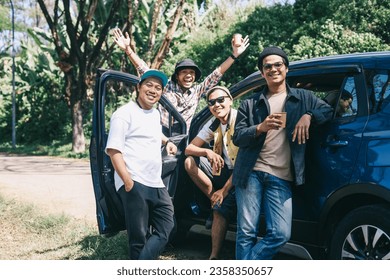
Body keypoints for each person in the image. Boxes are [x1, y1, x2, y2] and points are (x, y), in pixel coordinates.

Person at [232, 46, 333, 260]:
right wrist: (260, 127)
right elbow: (238, 137)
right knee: (246, 232)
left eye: (278, 65)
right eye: (267, 66)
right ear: (262, 73)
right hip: (251, 171)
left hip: (282, 176)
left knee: (280, 233)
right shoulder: (249, 103)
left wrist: (308, 115)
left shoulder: (303, 98)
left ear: (286, 69)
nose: (273, 69)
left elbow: (328, 110)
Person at [112, 28, 250, 135]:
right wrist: (128, 50)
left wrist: (234, 55)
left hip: (185, 135)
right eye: (184, 72)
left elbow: (217, 73)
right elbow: (144, 70)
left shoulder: (197, 91)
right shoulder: (166, 87)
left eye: (191, 72)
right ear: (177, 76)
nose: (188, 75)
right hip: (162, 133)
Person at [105, 69, 178, 260]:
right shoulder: (123, 114)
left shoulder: (154, 114)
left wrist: (167, 142)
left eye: (158, 87)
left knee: (167, 226)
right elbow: (114, 151)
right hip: (134, 181)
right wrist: (128, 182)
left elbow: (153, 133)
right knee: (138, 237)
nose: (153, 90)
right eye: (149, 85)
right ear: (138, 87)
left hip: (156, 182)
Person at [184, 86, 238, 260]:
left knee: (219, 210)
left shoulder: (240, 120)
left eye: (221, 100)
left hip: (240, 172)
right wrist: (207, 152)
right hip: (222, 168)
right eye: (212, 102)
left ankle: (213, 257)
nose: (217, 105)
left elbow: (245, 163)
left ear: (230, 100)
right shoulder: (213, 123)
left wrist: (225, 190)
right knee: (189, 162)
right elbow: (189, 148)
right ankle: (214, 200)